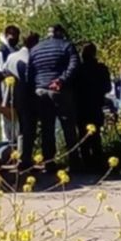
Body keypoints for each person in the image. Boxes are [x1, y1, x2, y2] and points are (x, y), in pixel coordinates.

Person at [26, 23, 80, 172]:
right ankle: (74, 161)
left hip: (41, 92)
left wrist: (36, 89)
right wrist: (61, 80)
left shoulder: (35, 49)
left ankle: (49, 163)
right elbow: (75, 65)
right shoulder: (67, 46)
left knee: (47, 129)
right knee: (68, 127)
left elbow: (29, 74)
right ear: (60, 33)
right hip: (60, 91)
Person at [3, 32, 40, 169]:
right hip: (29, 97)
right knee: (28, 129)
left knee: (21, 129)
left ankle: (21, 157)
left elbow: (4, 71)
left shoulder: (12, 56)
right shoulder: (31, 58)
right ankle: (25, 159)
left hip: (13, 96)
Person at [73, 43, 112, 171]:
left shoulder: (78, 69)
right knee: (96, 135)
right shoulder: (101, 68)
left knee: (83, 135)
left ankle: (85, 162)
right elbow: (108, 87)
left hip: (81, 106)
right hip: (96, 104)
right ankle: (98, 162)